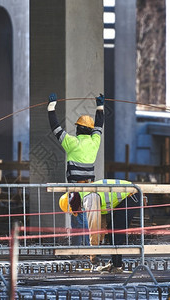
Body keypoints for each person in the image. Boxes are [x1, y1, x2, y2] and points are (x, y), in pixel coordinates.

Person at [48, 92, 105, 247]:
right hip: (91, 191)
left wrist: (51, 107)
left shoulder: (72, 143)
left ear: (78, 129)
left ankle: (80, 252)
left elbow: (55, 128)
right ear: (90, 130)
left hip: (76, 191)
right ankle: (87, 251)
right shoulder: (95, 142)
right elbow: (99, 125)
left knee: (78, 223)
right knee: (87, 222)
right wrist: (100, 106)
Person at [59, 179, 140, 273]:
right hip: (129, 193)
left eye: (76, 210)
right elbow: (101, 222)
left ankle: (117, 266)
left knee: (116, 230)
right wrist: (99, 243)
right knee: (111, 228)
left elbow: (94, 226)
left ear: (73, 204)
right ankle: (115, 264)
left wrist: (93, 252)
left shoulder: (88, 198)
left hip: (131, 195)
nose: (79, 211)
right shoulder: (86, 194)